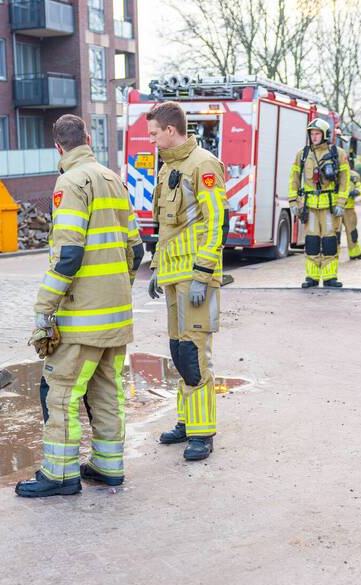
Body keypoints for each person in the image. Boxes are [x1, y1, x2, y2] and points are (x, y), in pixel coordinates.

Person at [17, 115, 144, 498]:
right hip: (116, 315)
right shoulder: (114, 180)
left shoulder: (70, 182)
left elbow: (68, 255)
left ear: (58, 147)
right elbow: (135, 250)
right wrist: (117, 289)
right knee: (106, 392)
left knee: (62, 394)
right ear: (88, 139)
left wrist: (44, 308)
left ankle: (59, 474)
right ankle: (107, 467)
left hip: (83, 318)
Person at [145, 101, 226, 462]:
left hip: (196, 277)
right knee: (179, 352)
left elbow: (215, 222)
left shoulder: (202, 164)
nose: (151, 141)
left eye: (153, 134)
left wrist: (204, 273)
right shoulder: (168, 168)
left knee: (195, 355)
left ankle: (202, 432)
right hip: (174, 275)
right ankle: (187, 420)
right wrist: (157, 268)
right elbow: (167, 227)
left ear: (171, 131)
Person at [288, 118, 351, 287]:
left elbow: (345, 180)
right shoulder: (302, 155)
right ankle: (312, 277)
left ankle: (330, 277)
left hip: (330, 207)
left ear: (324, 135)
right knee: (312, 242)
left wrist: (341, 202)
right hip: (310, 206)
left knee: (330, 242)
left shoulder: (337, 153)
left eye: (317, 134)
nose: (314, 137)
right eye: (311, 134)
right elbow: (294, 178)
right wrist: (293, 201)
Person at [340, 167, 361, 260]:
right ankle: (332, 256)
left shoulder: (353, 175)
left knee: (352, 232)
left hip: (349, 209)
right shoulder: (333, 172)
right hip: (335, 208)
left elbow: (359, 187)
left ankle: (355, 253)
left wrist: (357, 191)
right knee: (334, 233)